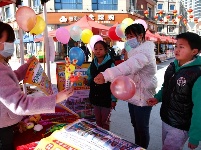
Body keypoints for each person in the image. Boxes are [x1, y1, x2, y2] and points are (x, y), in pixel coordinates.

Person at [0, 22, 74, 150]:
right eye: (8, 41)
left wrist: (28, 67)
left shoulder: (2, 65)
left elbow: (9, 82)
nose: (11, 45)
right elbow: (21, 104)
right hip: (3, 131)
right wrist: (56, 98)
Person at [94, 23, 157, 149]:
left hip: (144, 97)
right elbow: (127, 69)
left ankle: (142, 147)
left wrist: (107, 75)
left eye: (131, 36)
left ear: (140, 36)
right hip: (134, 95)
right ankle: (137, 146)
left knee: (142, 127)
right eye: (127, 36)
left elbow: (129, 66)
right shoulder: (134, 51)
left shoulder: (145, 53)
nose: (129, 39)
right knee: (135, 125)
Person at [147, 32, 201, 150]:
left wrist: (195, 136)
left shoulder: (198, 74)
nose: (177, 49)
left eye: (182, 47)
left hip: (181, 126)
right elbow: (166, 87)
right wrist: (158, 97)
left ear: (194, 51)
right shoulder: (172, 66)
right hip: (166, 118)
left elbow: (199, 108)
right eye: (176, 46)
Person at [86, 40, 117, 130]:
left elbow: (114, 83)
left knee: (105, 121)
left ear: (106, 51)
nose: (98, 51)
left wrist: (113, 99)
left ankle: (106, 137)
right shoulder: (93, 63)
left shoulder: (110, 64)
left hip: (106, 98)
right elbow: (90, 76)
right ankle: (100, 137)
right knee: (98, 120)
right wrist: (87, 81)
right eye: (96, 49)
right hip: (95, 96)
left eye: (100, 49)